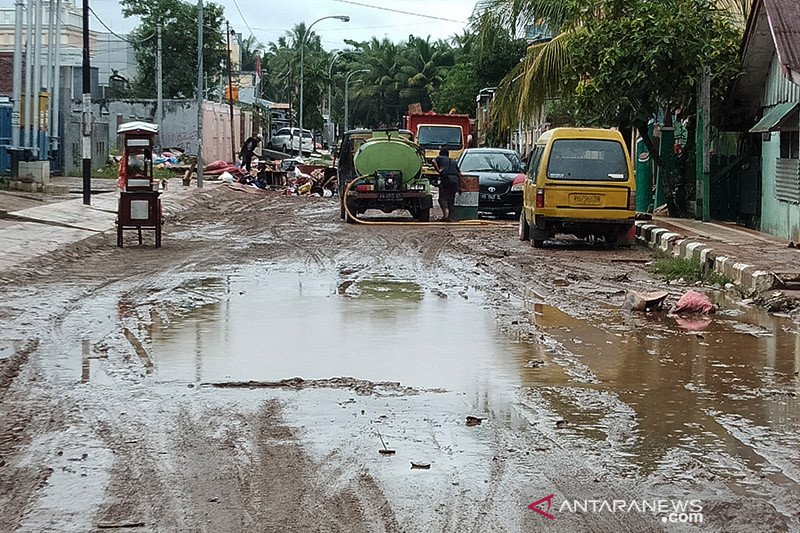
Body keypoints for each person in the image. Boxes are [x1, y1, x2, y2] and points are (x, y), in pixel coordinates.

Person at [432, 148, 462, 222]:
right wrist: (460, 187)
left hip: (446, 178)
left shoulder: (440, 158)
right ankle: (449, 217)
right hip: (455, 180)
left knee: (442, 198)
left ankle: (445, 213)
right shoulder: (453, 161)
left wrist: (438, 170)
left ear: (440, 153)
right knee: (451, 199)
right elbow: (460, 174)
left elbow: (433, 161)